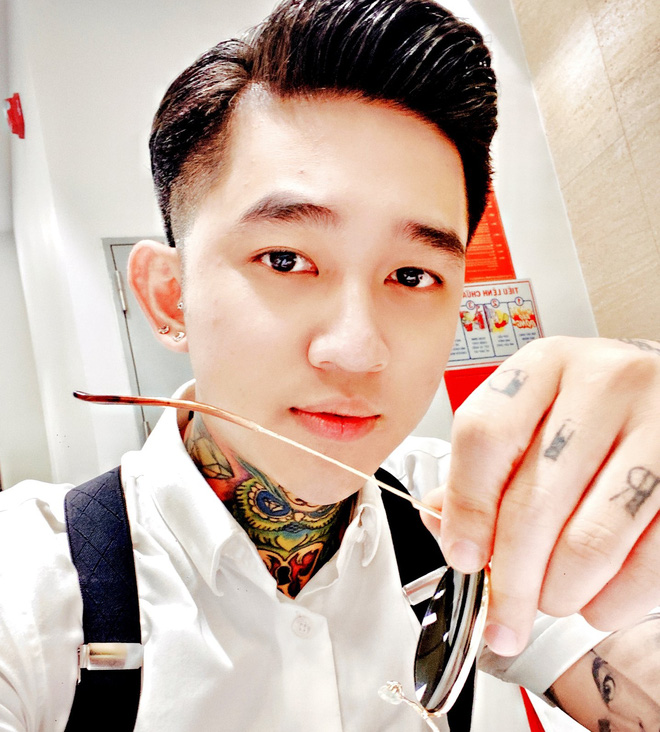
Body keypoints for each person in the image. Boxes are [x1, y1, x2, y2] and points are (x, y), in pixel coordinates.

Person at [1, 0, 659, 729]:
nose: (357, 350)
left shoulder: (478, 514)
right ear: (169, 296)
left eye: (412, 275)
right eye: (286, 260)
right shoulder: (29, 579)